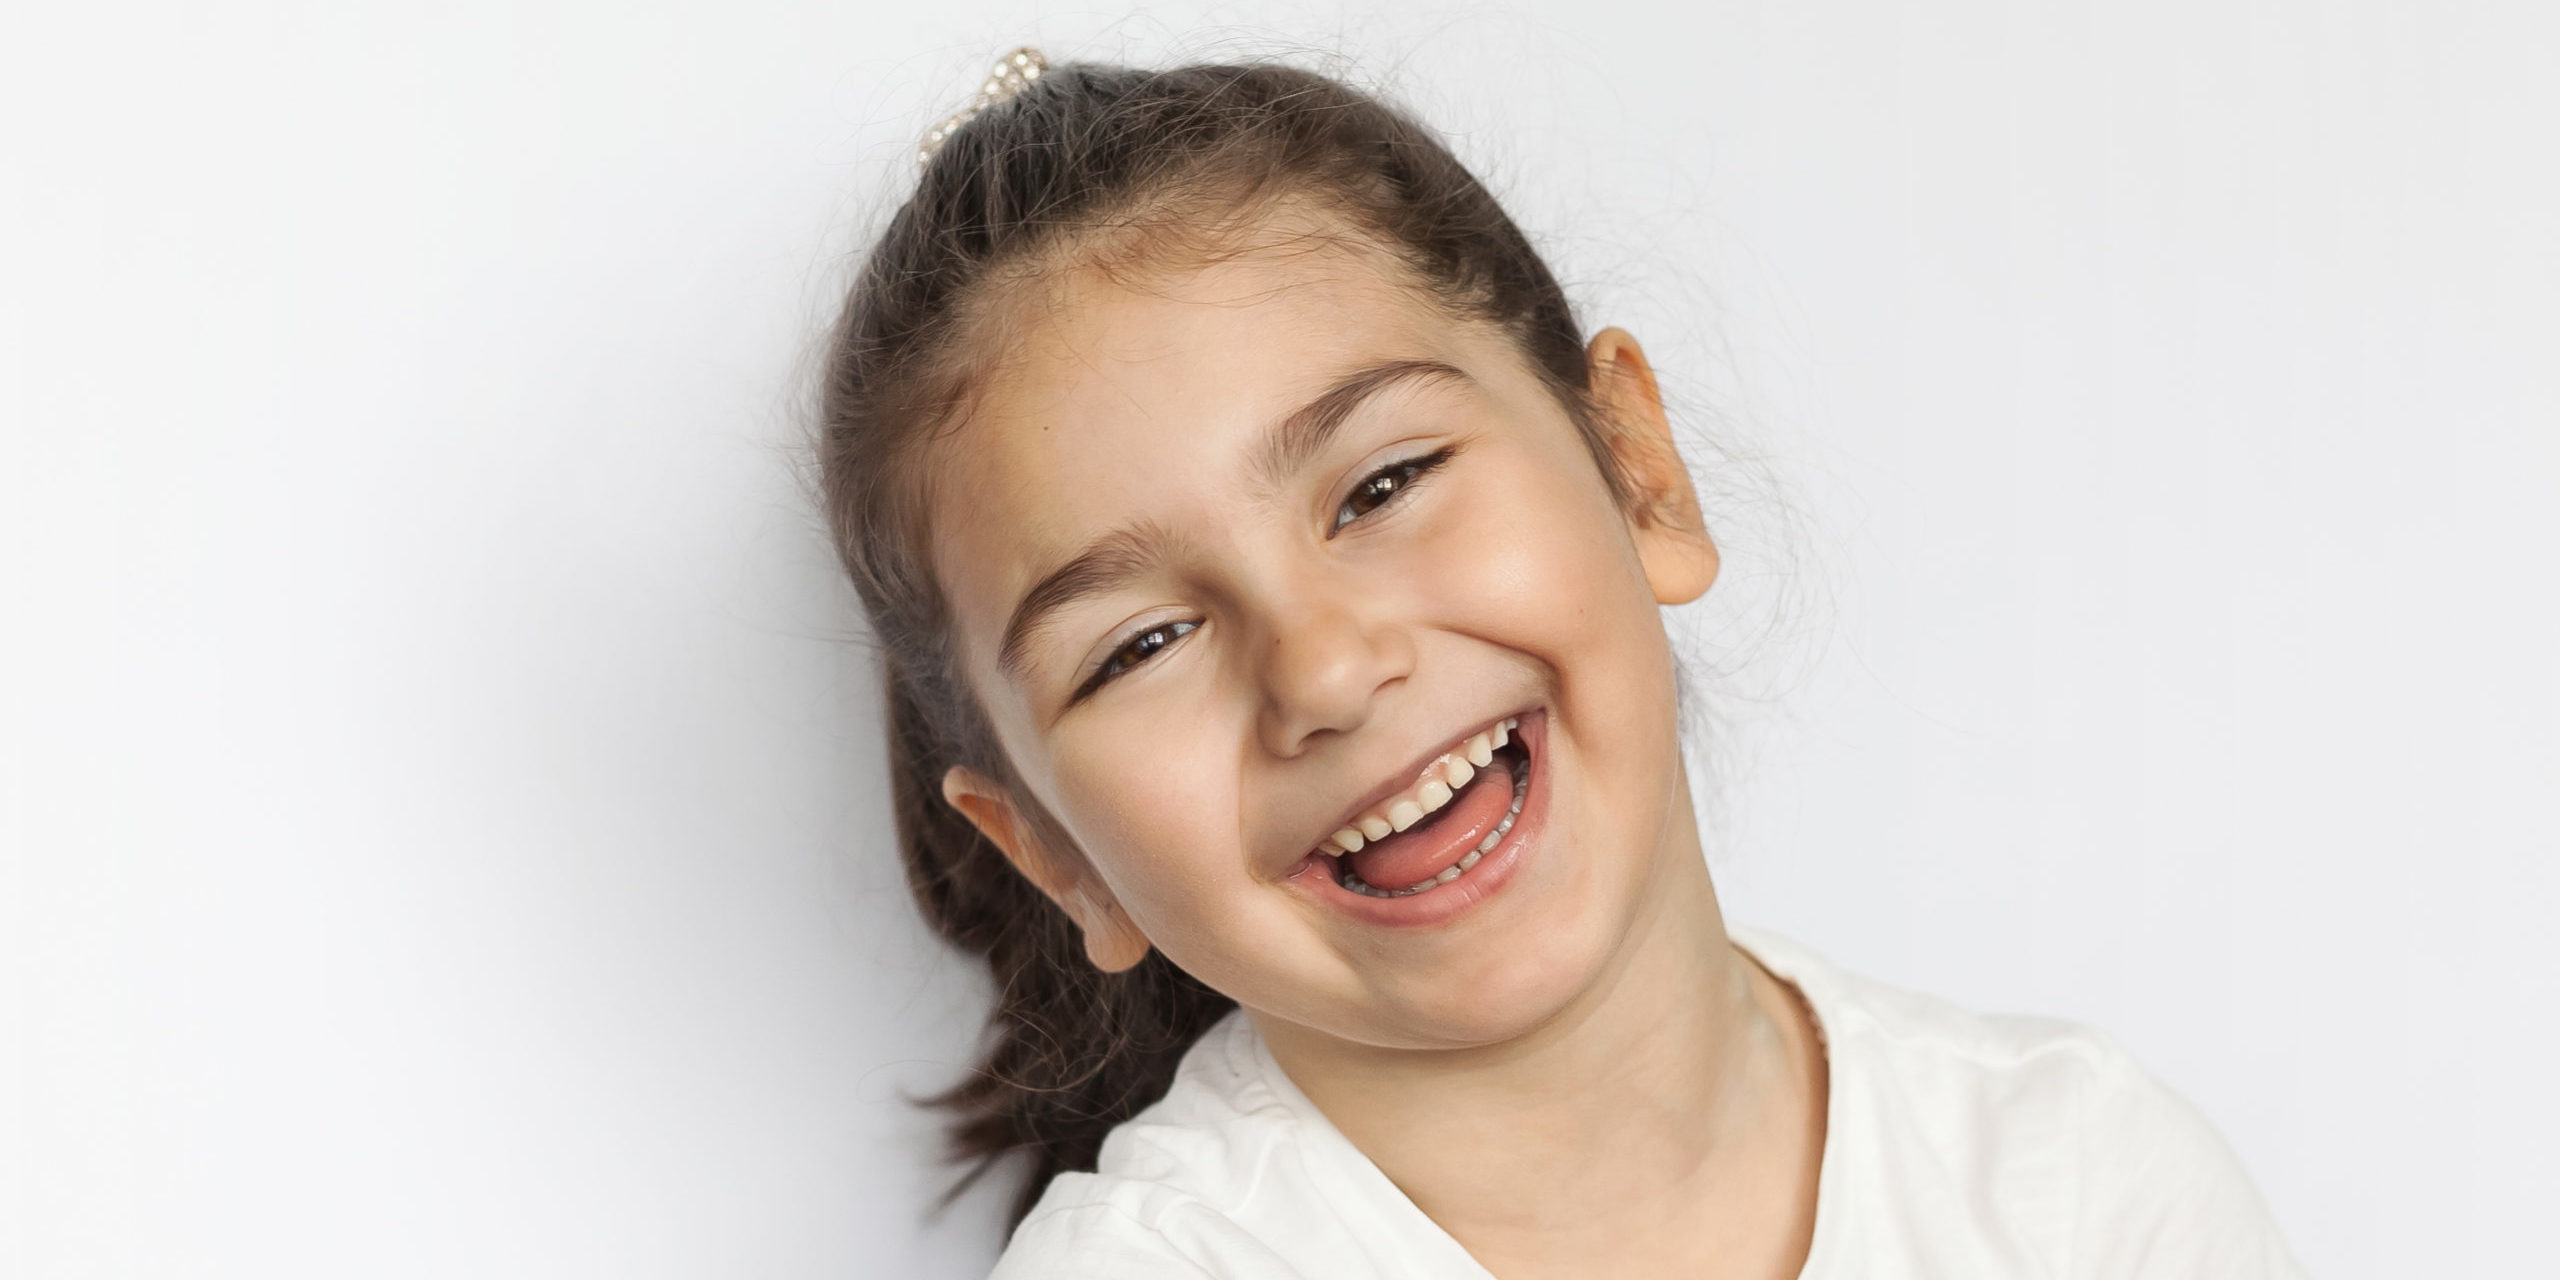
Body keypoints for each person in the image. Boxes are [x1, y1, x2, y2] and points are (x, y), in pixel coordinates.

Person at [816, 50, 2303, 1280]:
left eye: (1383, 485)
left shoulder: (2081, 1190)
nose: (1325, 671)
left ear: (1639, 471)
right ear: (1056, 857)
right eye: (1140, 643)